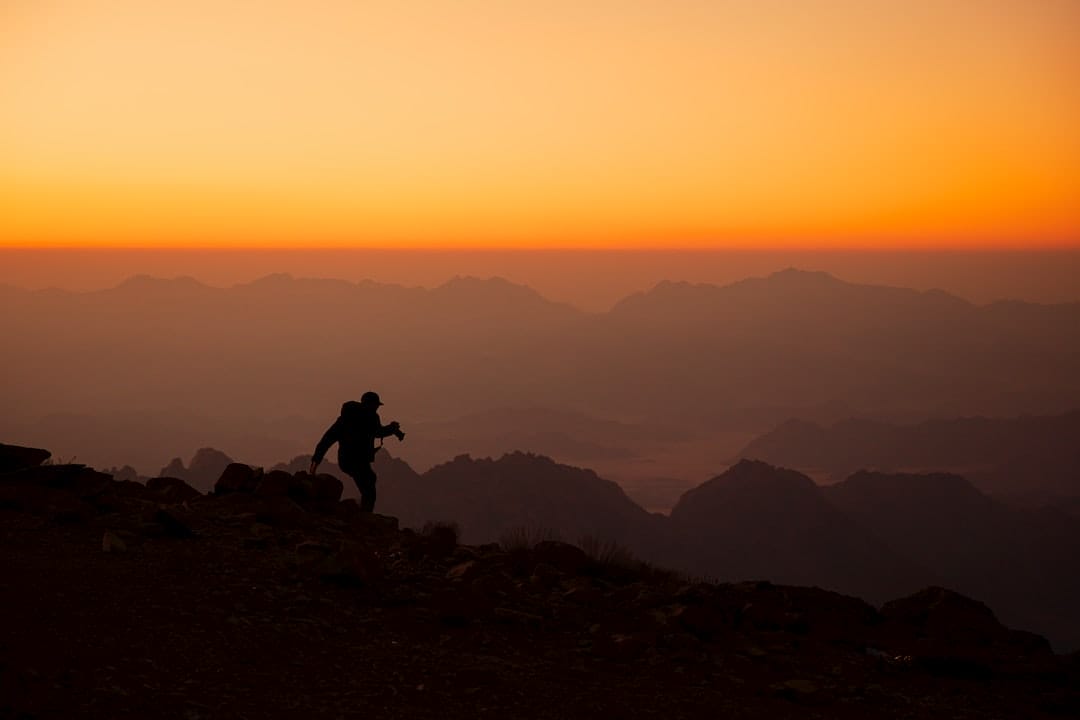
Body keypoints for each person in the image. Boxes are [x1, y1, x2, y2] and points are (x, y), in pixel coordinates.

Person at [309, 391, 404, 512]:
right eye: (375, 406)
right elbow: (326, 441)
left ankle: (363, 510)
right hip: (352, 460)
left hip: (351, 460)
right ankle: (365, 513)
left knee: (369, 480)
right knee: (368, 482)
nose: (376, 409)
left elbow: (326, 440)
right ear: (368, 405)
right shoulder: (353, 420)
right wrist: (315, 464)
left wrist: (392, 429)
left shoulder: (367, 418)